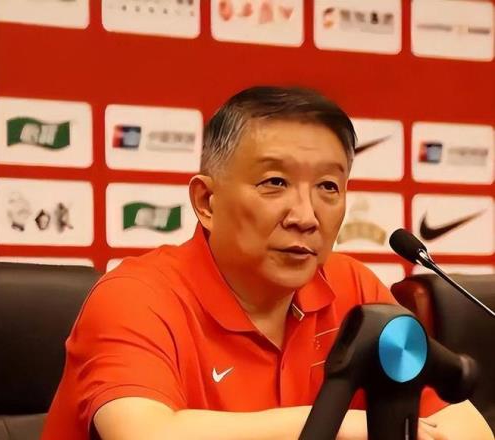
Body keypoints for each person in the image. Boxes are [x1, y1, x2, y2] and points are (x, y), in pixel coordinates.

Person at [41, 86, 492, 440]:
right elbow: (147, 434)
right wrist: (340, 424)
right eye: (275, 182)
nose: (305, 216)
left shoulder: (352, 288)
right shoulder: (137, 297)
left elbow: (465, 426)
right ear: (207, 201)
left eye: (328, 187)